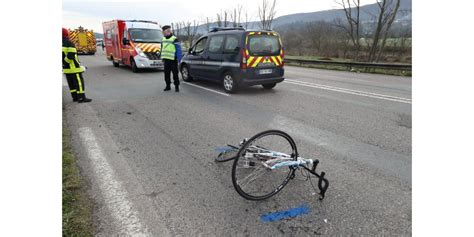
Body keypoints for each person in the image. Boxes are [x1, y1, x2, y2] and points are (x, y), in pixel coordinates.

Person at [62, 28, 92, 103]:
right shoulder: (69, 43)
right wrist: (66, 62)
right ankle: (81, 98)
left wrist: (63, 63)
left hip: (66, 69)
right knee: (79, 83)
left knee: (71, 84)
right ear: (66, 34)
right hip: (74, 67)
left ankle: (75, 97)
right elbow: (71, 54)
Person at [160, 25, 182, 92]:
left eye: (166, 31)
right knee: (166, 74)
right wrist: (162, 58)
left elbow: (179, 50)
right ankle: (168, 86)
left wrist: (179, 59)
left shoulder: (175, 39)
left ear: (169, 31)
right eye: (164, 31)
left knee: (175, 74)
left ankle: (176, 87)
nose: (164, 33)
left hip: (173, 60)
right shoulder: (163, 39)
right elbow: (162, 49)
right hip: (166, 60)